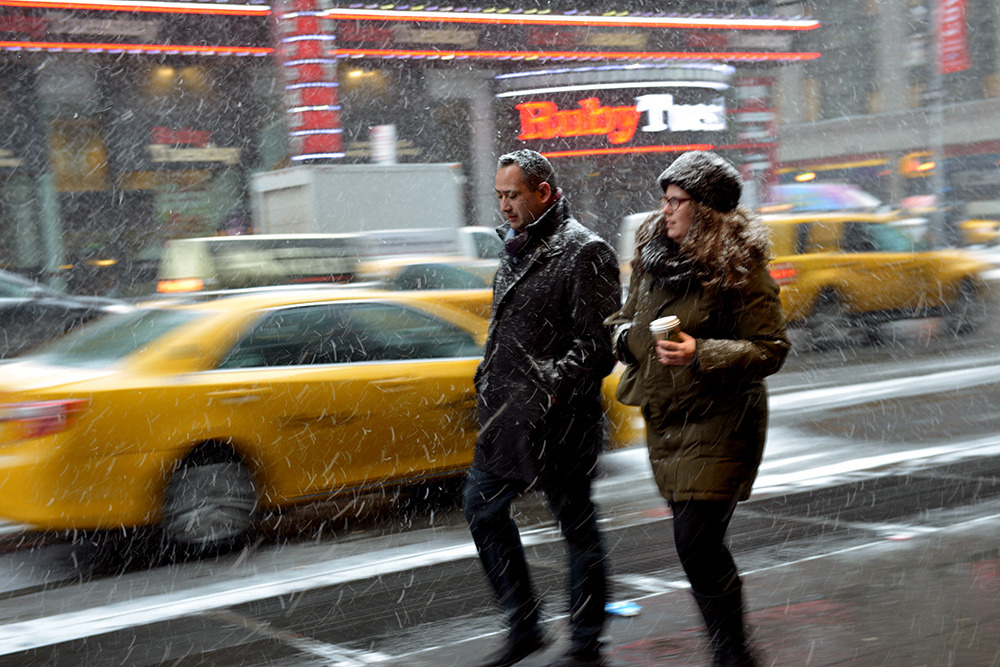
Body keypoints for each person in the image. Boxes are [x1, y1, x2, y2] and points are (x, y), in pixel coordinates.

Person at [606, 151, 790, 667]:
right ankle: (730, 651)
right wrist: (625, 338)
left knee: (696, 541)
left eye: (678, 201)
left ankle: (733, 654)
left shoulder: (739, 268)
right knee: (696, 546)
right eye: (665, 200)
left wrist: (700, 352)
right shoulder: (653, 258)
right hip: (667, 419)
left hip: (722, 420)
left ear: (705, 209)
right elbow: (624, 320)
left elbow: (770, 348)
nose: (666, 211)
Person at [463, 149, 621, 667]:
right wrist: (488, 378)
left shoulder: (584, 252)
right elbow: (506, 329)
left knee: (576, 526)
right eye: (500, 196)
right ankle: (524, 623)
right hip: (507, 416)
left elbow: (597, 348)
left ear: (543, 193)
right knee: (481, 509)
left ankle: (585, 643)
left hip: (561, 421)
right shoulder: (516, 246)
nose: (504, 206)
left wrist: (547, 388)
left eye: (513, 195)